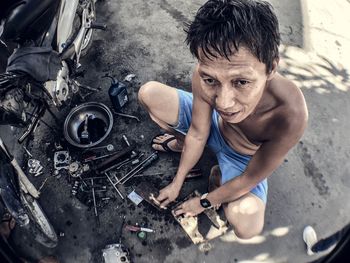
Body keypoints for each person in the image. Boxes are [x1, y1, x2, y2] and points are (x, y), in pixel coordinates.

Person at [138, 0, 308, 239]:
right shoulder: (204, 72)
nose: (223, 103)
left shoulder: (291, 115)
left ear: (270, 68)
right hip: (210, 129)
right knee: (149, 94)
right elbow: (198, 132)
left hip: (242, 158)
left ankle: (219, 174)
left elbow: (249, 178)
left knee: (248, 226)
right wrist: (178, 182)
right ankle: (180, 143)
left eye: (241, 82)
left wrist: (203, 202)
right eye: (211, 80)